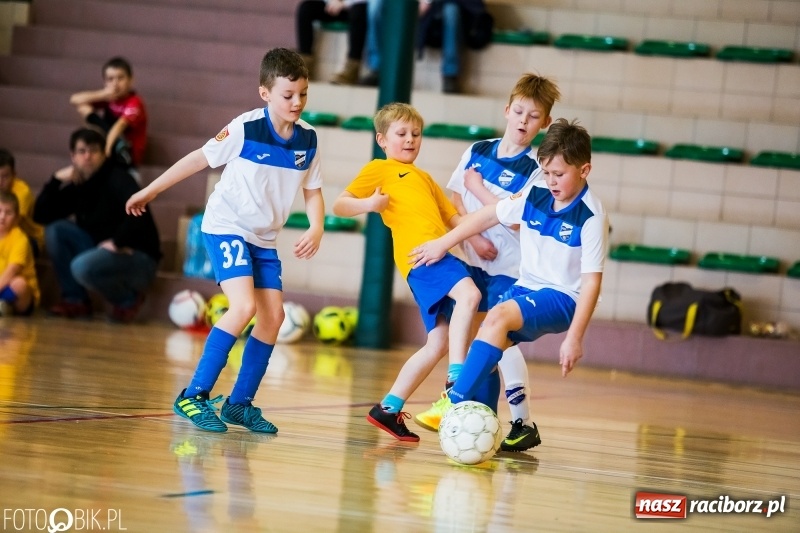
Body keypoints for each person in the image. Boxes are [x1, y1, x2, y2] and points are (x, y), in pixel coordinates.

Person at [126, 48, 324, 434]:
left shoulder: (309, 141)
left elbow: (313, 191)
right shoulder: (245, 128)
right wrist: (150, 190)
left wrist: (316, 226)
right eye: (288, 95)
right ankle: (193, 395)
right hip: (227, 226)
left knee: (273, 317)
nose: (297, 102)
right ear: (265, 93)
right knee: (244, 306)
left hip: (264, 239)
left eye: (303, 93)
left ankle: (239, 404)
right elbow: (198, 160)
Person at [410, 119, 609, 449]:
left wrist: (574, 337)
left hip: (563, 297)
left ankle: (453, 401)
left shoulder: (591, 217)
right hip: (527, 286)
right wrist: (444, 243)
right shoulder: (537, 191)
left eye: (559, 174)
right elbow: (488, 216)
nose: (551, 181)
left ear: (585, 169)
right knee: (487, 337)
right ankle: (488, 425)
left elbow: (591, 283)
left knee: (498, 317)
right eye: (546, 172)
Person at [413, 74, 561, 454]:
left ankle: (521, 420)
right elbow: (455, 202)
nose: (524, 121)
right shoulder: (479, 149)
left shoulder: (535, 168)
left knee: (501, 338)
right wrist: (474, 236)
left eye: (534, 116)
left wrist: (479, 188)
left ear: (544, 124)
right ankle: (487, 419)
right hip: (473, 261)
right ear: (506, 110)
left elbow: (511, 217)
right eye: (519, 111)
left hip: (511, 268)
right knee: (486, 342)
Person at [332, 102, 482, 442]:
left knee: (437, 341)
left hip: (436, 256)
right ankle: (457, 379)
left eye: (416, 134)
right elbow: (340, 205)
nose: (411, 139)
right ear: (383, 140)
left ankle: (388, 408)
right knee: (470, 294)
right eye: (402, 134)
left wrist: (484, 234)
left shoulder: (425, 178)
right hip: (423, 258)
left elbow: (454, 220)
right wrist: (369, 204)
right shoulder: (379, 169)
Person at [32, 128, 161, 322]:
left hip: (137, 257)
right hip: (101, 251)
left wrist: (118, 242)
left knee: (81, 266)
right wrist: (55, 180)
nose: (88, 156)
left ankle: (128, 300)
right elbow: (41, 215)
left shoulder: (119, 178)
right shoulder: (79, 185)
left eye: (94, 151)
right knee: (55, 231)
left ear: (103, 154)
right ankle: (76, 300)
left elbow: (140, 214)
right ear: (73, 156)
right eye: (82, 151)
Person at [361, 0, 492, 93]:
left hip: (442, 5)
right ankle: (376, 68)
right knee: (374, 4)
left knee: (451, 11)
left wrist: (427, 2)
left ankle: (450, 74)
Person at [69, 57, 148, 170]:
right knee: (84, 107)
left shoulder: (135, 102)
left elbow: (119, 127)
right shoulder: (109, 98)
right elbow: (74, 100)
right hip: (109, 140)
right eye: (110, 79)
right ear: (104, 82)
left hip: (127, 153)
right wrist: (103, 94)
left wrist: (106, 151)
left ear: (131, 80)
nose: (115, 84)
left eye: (120, 78)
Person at [296, 0, 370, 85]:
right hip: (331, 6)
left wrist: (344, 4)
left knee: (359, 11)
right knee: (306, 8)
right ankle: (305, 67)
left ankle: (352, 70)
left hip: (354, 6)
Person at [0, 191, 39, 317]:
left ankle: (7, 304)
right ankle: (4, 305)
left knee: (19, 284)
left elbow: (11, 271)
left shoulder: (20, 239)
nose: (2, 217)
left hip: (15, 290)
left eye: (8, 213)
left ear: (16, 218)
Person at [0, 148, 44, 257]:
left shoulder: (22, 192)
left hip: (27, 237)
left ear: (14, 175)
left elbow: (11, 224)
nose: (0, 182)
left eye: (5, 176)